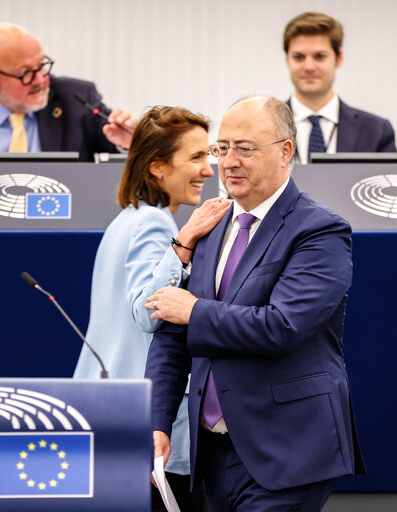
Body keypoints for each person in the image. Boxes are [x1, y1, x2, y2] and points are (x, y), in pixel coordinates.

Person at [144, 97, 364, 511]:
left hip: (287, 451)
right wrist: (157, 422)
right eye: (221, 147)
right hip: (210, 454)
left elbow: (282, 326)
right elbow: (172, 335)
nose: (228, 162)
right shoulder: (209, 226)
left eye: (245, 148)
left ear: (286, 151)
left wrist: (194, 311)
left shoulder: (320, 230)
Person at [73, 106, 231, 511]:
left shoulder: (126, 220)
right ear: (157, 167)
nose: (208, 170)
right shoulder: (156, 224)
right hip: (145, 426)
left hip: (110, 417)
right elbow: (147, 313)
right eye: (196, 158)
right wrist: (186, 239)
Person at [0, 23, 136, 161]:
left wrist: (128, 142)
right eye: (25, 74)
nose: (40, 79)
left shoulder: (77, 99)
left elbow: (118, 149)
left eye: (42, 65)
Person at [283, 12, 396, 164]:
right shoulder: (262, 128)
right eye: (299, 57)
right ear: (287, 60)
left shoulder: (376, 131)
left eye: (320, 57)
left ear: (339, 58)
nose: (309, 67)